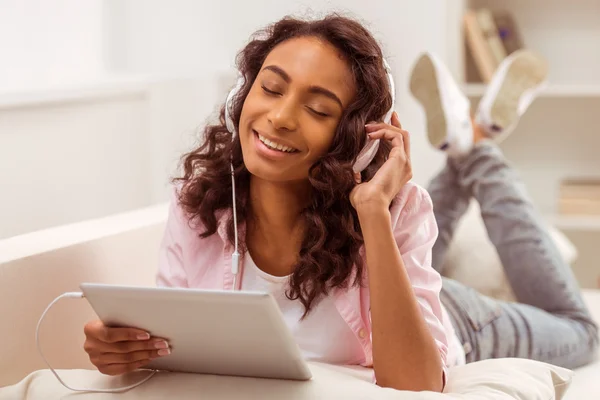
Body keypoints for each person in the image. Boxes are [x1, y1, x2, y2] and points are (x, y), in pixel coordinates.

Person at [81, 14, 598, 392]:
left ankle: (477, 147)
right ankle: (466, 139)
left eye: (318, 108)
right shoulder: (200, 205)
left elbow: (416, 384)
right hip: (398, 280)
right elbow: (175, 347)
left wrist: (374, 210)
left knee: (580, 331)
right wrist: (126, 352)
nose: (281, 118)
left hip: (458, 319)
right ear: (243, 94)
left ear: (354, 138)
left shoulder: (394, 208)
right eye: (271, 88)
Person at [409, 50, 598, 368]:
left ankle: (469, 144)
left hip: (432, 311)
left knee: (582, 331)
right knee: (413, 261)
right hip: (428, 305)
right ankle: (475, 142)